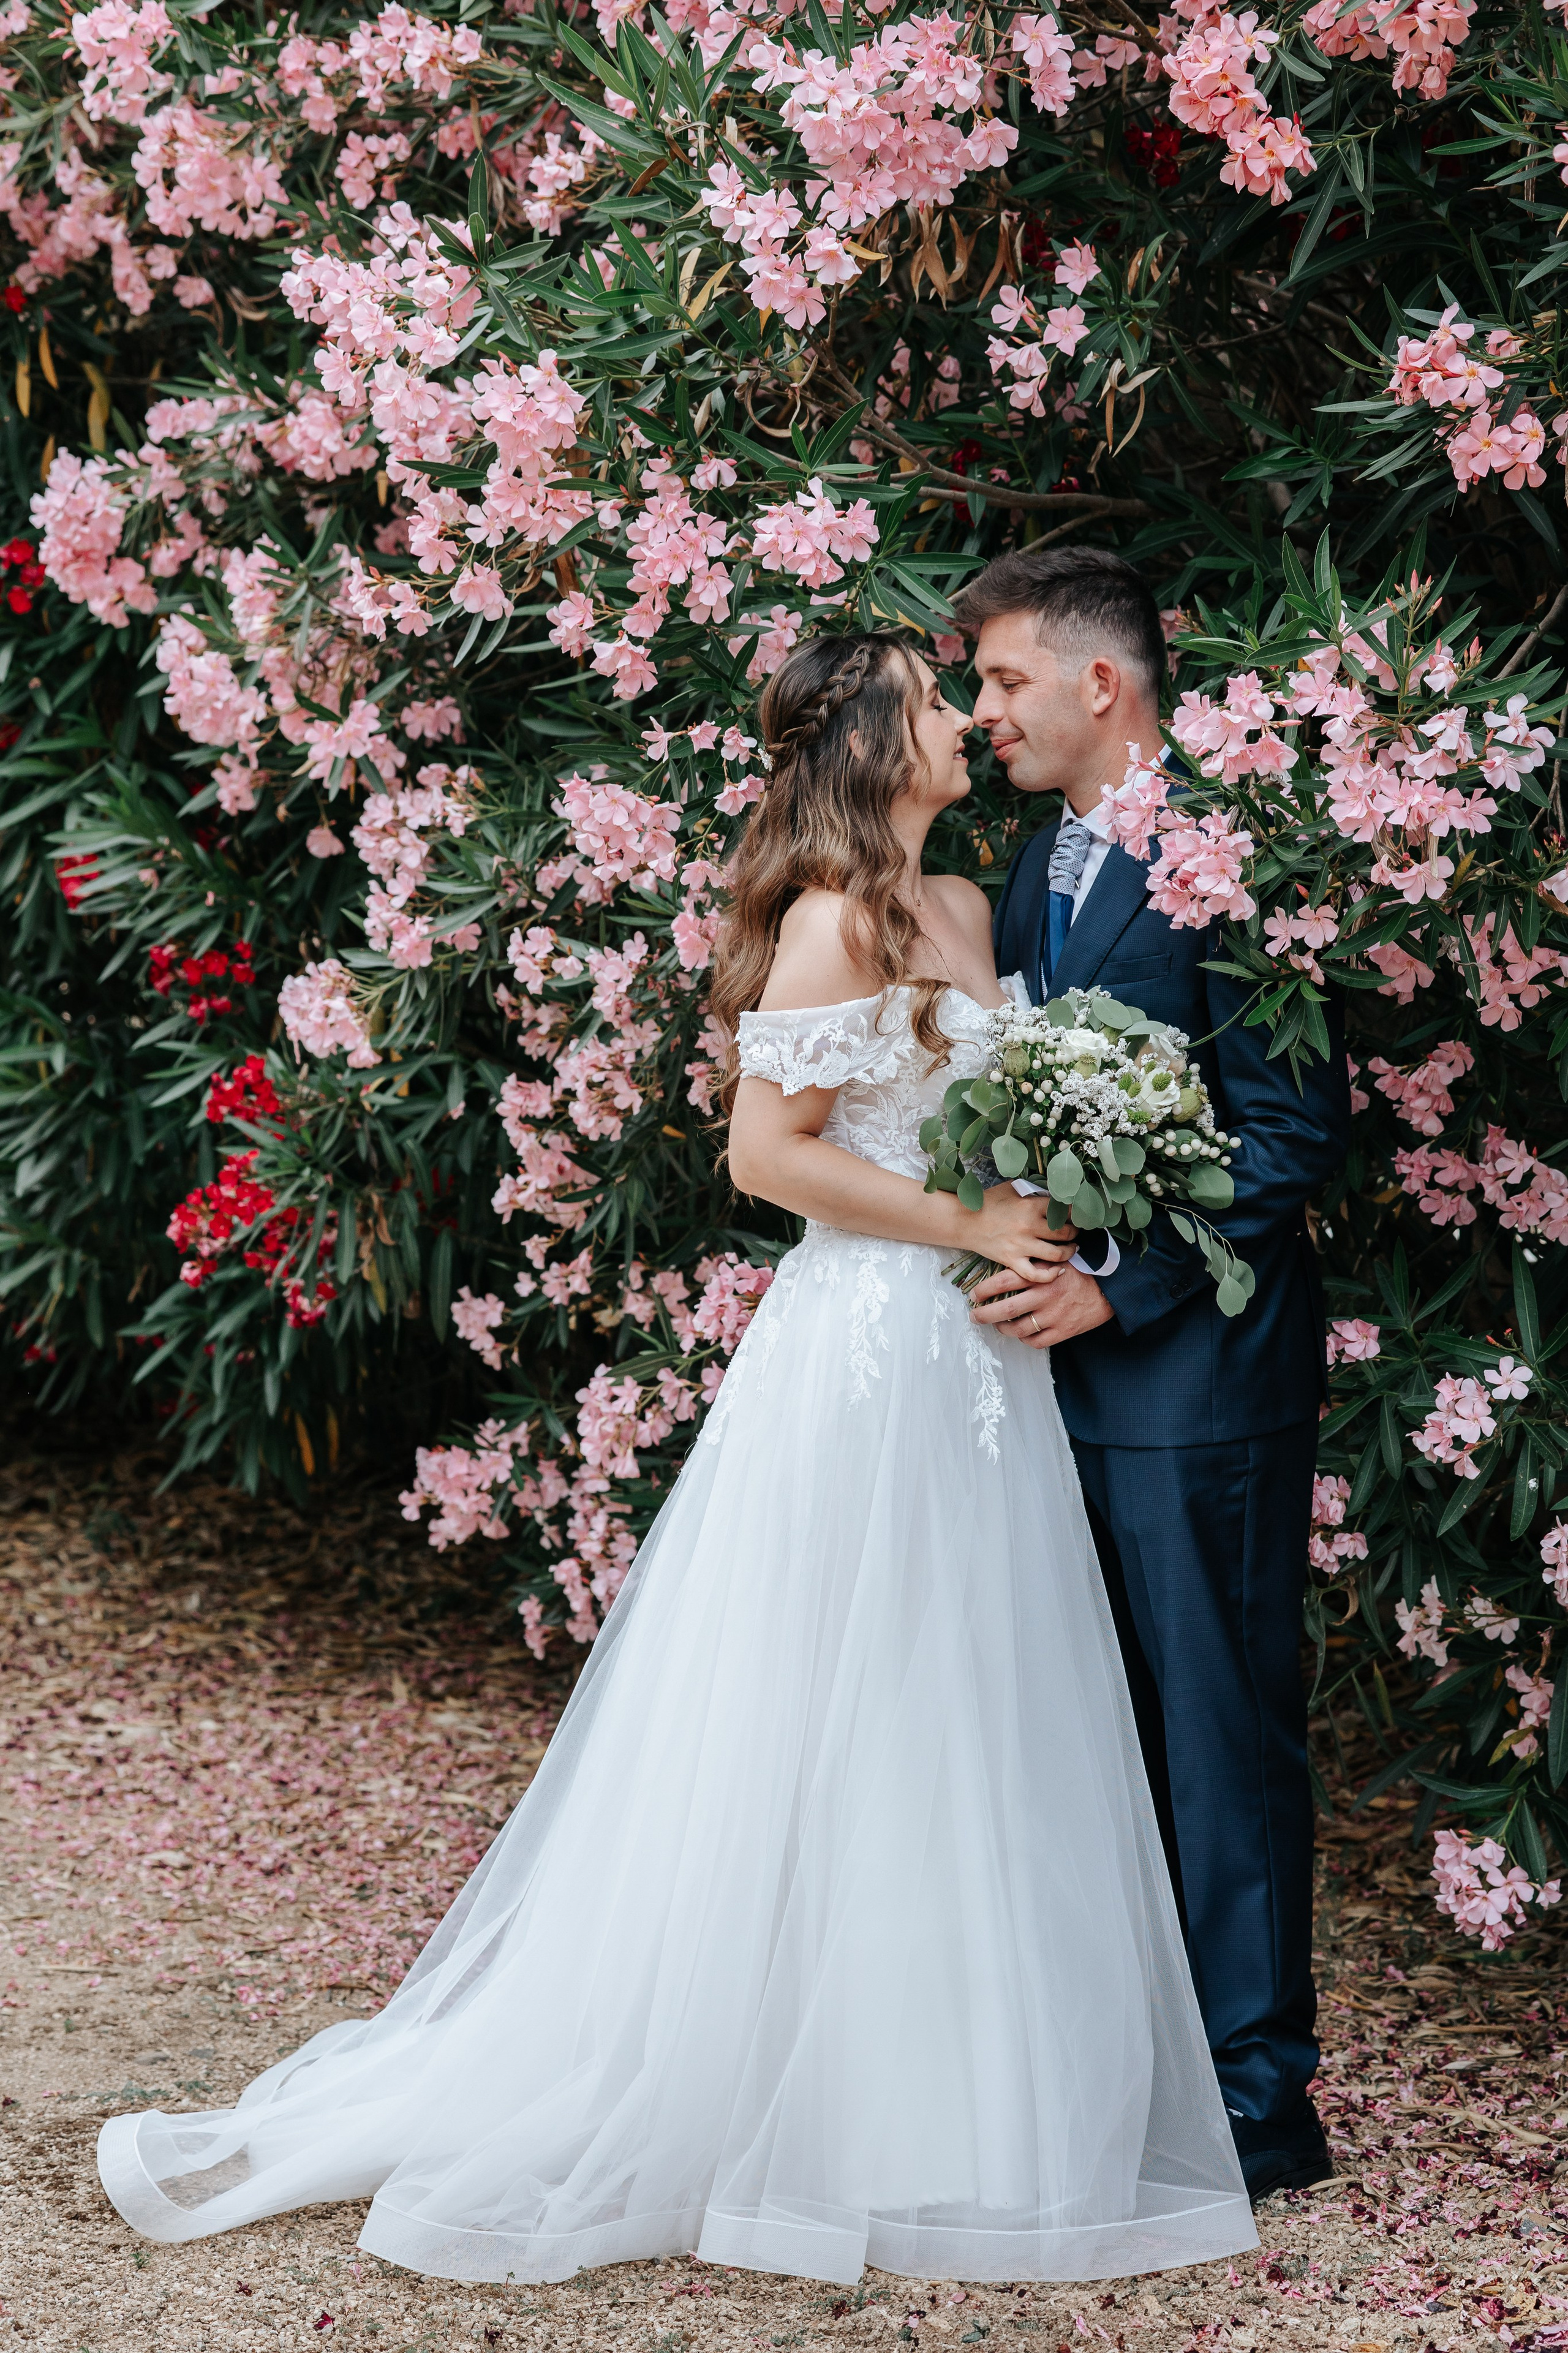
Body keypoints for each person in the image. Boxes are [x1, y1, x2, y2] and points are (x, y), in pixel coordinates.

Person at [96, 631, 1256, 2287]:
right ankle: (768, 2096)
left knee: (960, 1703)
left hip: (971, 1365)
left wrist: (1048, 1189)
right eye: (937, 706)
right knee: (829, 1704)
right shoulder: (832, 920)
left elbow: (974, 1116)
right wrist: (963, 1218)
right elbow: (766, 1153)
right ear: (872, 744)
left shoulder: (967, 910)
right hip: (861, 1348)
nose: (963, 722)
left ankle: (949, 2111)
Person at [954, 546, 1351, 2200]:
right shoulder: (1038, 854)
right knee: (1098, 1731)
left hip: (1200, 1376)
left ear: (1096, 683)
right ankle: (1140, 2068)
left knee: (1220, 1728)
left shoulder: (1233, 857)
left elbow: (1292, 1130)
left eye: (999, 681)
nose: (983, 717)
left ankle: (1261, 2097)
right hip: (1061, 1388)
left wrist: (1121, 1290)